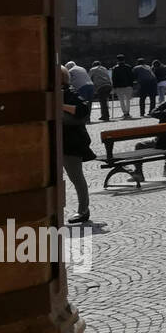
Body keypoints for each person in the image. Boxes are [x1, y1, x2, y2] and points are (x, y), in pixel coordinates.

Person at [60, 65, 96, 224]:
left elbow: (82, 110)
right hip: (57, 143)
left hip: (71, 142)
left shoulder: (70, 92)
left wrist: (60, 106)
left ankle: (83, 210)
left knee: (76, 177)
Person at [111, 55, 134, 119]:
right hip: (128, 86)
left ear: (117, 60)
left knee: (121, 101)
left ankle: (124, 113)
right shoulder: (128, 67)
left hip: (119, 87)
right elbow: (131, 77)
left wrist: (114, 87)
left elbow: (114, 79)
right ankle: (128, 112)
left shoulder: (115, 68)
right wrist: (132, 85)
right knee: (128, 100)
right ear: (124, 60)